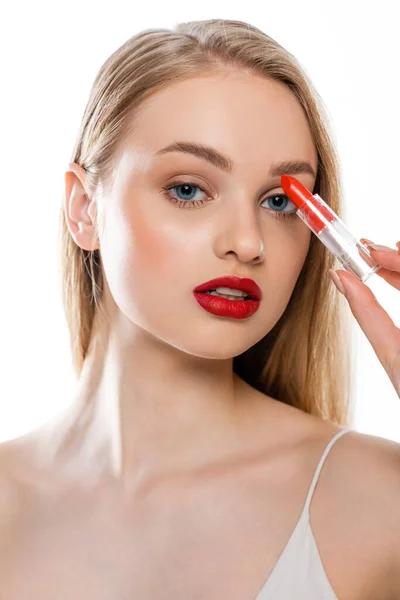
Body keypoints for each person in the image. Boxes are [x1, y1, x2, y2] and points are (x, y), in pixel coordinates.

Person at [1, 18, 399, 599]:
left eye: (278, 202)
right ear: (85, 208)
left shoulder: (378, 504)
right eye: (189, 189)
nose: (248, 241)